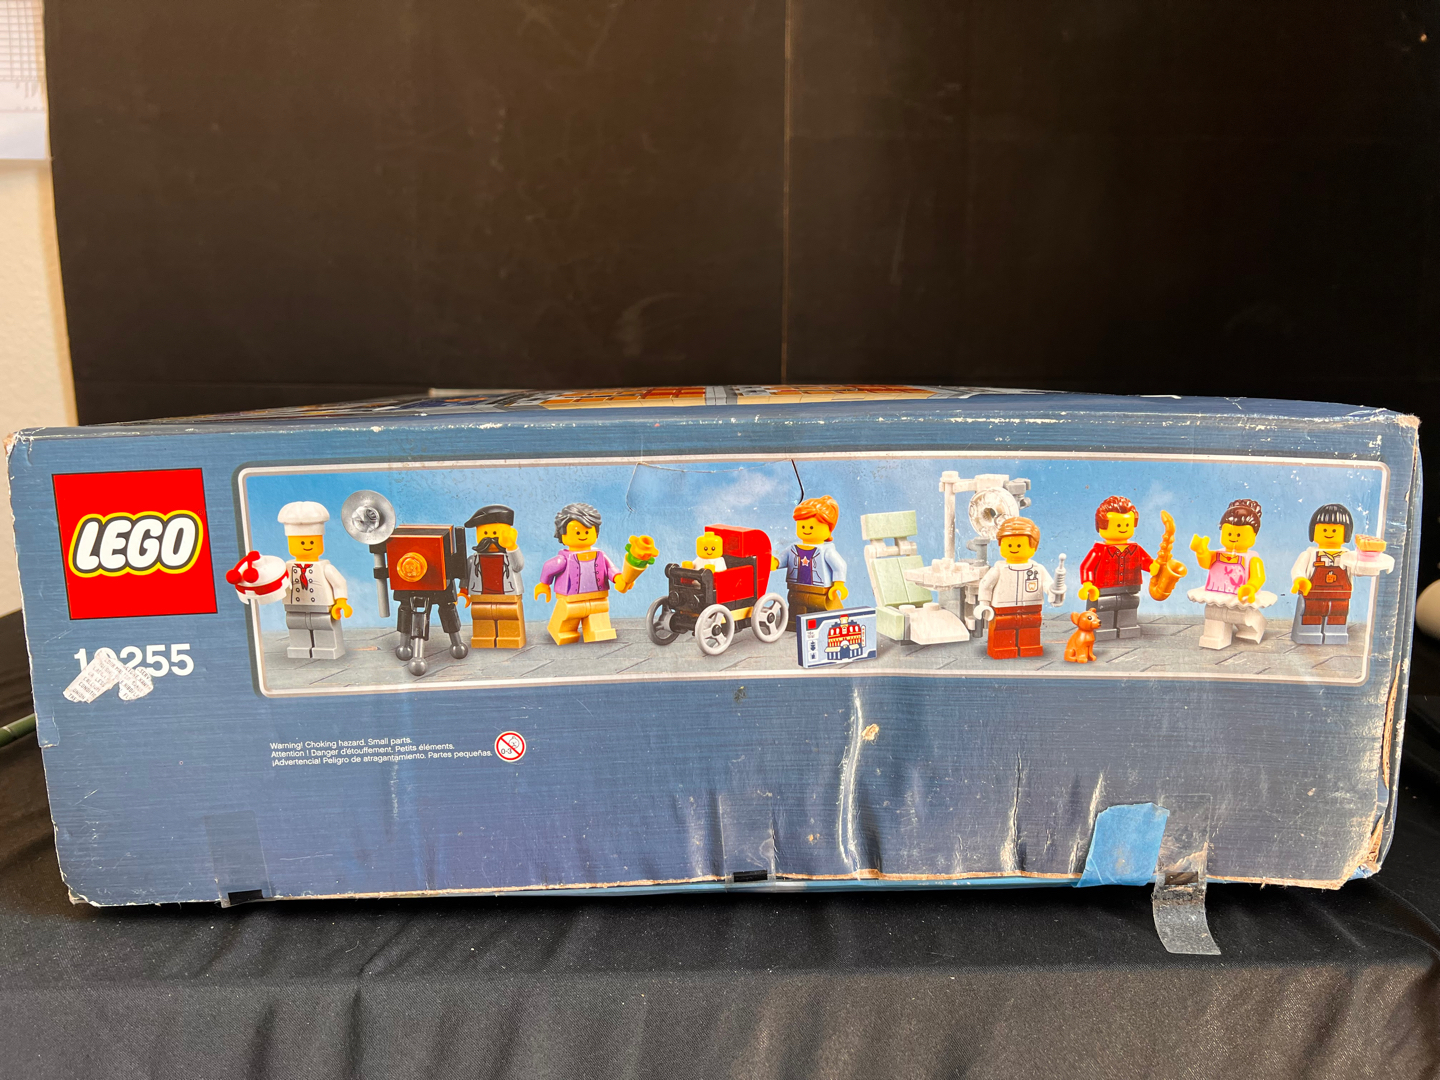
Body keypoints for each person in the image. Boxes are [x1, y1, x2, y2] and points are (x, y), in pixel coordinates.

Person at [534, 503, 656, 645]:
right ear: (562, 534)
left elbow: (610, 569)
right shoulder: (563, 559)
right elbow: (549, 567)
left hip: (598, 597)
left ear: (596, 532)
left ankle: (598, 630)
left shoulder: (600, 555)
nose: (582, 536)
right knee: (568, 615)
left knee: (598, 614)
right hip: (571, 599)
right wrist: (544, 584)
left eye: (587, 532)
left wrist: (619, 579)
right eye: (577, 532)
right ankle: (562, 630)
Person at [1187, 498, 1274, 649]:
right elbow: (1206, 563)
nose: (1233, 537)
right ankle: (1214, 637)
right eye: (1228, 533)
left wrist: (1251, 587)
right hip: (1216, 593)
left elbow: (1259, 576)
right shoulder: (1217, 554)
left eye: (1239, 535)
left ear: (1253, 536)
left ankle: (1253, 629)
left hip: (1240, 596)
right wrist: (1201, 552)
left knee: (1243, 616)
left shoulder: (1252, 558)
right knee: (1214, 614)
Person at [974, 517, 1065, 659]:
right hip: (1003, 608)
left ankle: (1030, 648)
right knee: (1002, 627)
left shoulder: (1037, 569)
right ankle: (1002, 649)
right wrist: (984, 604)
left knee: (1031, 627)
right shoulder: (998, 569)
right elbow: (985, 585)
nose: (1014, 548)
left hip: (1031, 607)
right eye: (1009, 545)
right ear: (1000, 544)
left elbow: (1047, 584)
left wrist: (1054, 591)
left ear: (1033, 546)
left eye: (1019, 545)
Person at [276, 501, 351, 659]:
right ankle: (299, 647)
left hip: (322, 606)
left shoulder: (325, 567)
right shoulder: (287, 567)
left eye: (311, 541)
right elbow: (277, 581)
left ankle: (328, 648)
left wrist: (341, 601)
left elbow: (339, 583)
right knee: (296, 625)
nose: (307, 545)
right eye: (301, 542)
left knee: (324, 624)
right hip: (294, 606)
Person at [773, 496, 848, 628]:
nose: (806, 529)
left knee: (823, 612)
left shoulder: (826, 551)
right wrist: (774, 563)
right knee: (796, 610)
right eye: (802, 526)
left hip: (820, 591)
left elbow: (839, 566)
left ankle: (827, 627)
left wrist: (839, 584)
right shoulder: (793, 548)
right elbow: (782, 559)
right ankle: (794, 625)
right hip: (796, 589)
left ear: (829, 529)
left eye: (812, 526)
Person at [463, 504, 526, 649]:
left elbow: (518, 566)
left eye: (496, 533)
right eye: (485, 533)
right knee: (481, 616)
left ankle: (510, 638)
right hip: (480, 596)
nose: (491, 538)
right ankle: (483, 638)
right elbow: (466, 575)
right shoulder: (473, 559)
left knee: (509, 615)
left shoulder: (510, 556)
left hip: (508, 595)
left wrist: (512, 546)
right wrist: (463, 591)